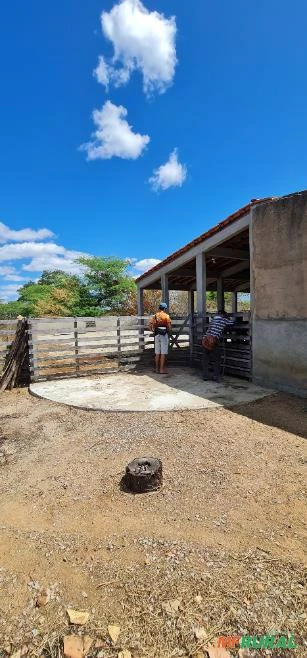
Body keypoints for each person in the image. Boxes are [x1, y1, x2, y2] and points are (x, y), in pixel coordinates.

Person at [202, 309, 234, 382]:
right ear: (223, 315)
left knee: (205, 359)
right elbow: (232, 322)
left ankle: (205, 376)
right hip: (213, 341)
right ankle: (216, 376)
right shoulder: (224, 320)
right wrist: (228, 318)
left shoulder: (213, 320)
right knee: (217, 359)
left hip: (205, 340)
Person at [149, 302, 172, 374]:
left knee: (157, 353)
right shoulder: (166, 316)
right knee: (163, 353)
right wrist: (169, 331)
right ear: (165, 309)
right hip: (164, 335)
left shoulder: (155, 316)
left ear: (159, 308)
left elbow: (149, 325)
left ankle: (156, 369)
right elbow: (169, 326)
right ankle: (161, 370)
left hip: (157, 335)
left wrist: (153, 330)